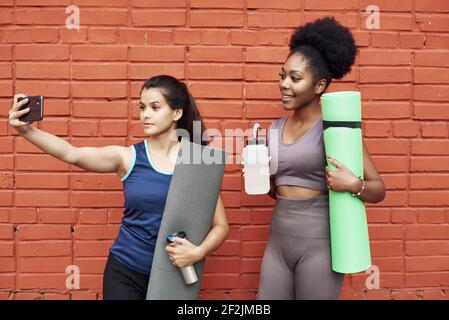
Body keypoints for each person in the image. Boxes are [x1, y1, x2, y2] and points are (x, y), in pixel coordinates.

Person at [8, 75, 229, 300]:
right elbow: (72, 154)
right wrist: (26, 131)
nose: (145, 115)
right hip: (125, 271)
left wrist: (197, 252)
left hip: (172, 275)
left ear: (176, 113)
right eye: (142, 107)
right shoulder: (128, 157)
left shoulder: (197, 161)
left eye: (155, 107)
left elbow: (220, 225)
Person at [257, 17, 386, 300]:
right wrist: (261, 174)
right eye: (282, 75)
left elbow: (378, 189)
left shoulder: (336, 130)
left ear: (319, 86)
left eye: (295, 78)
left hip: (320, 246)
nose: (284, 85)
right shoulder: (274, 129)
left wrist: (354, 184)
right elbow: (274, 192)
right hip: (278, 243)